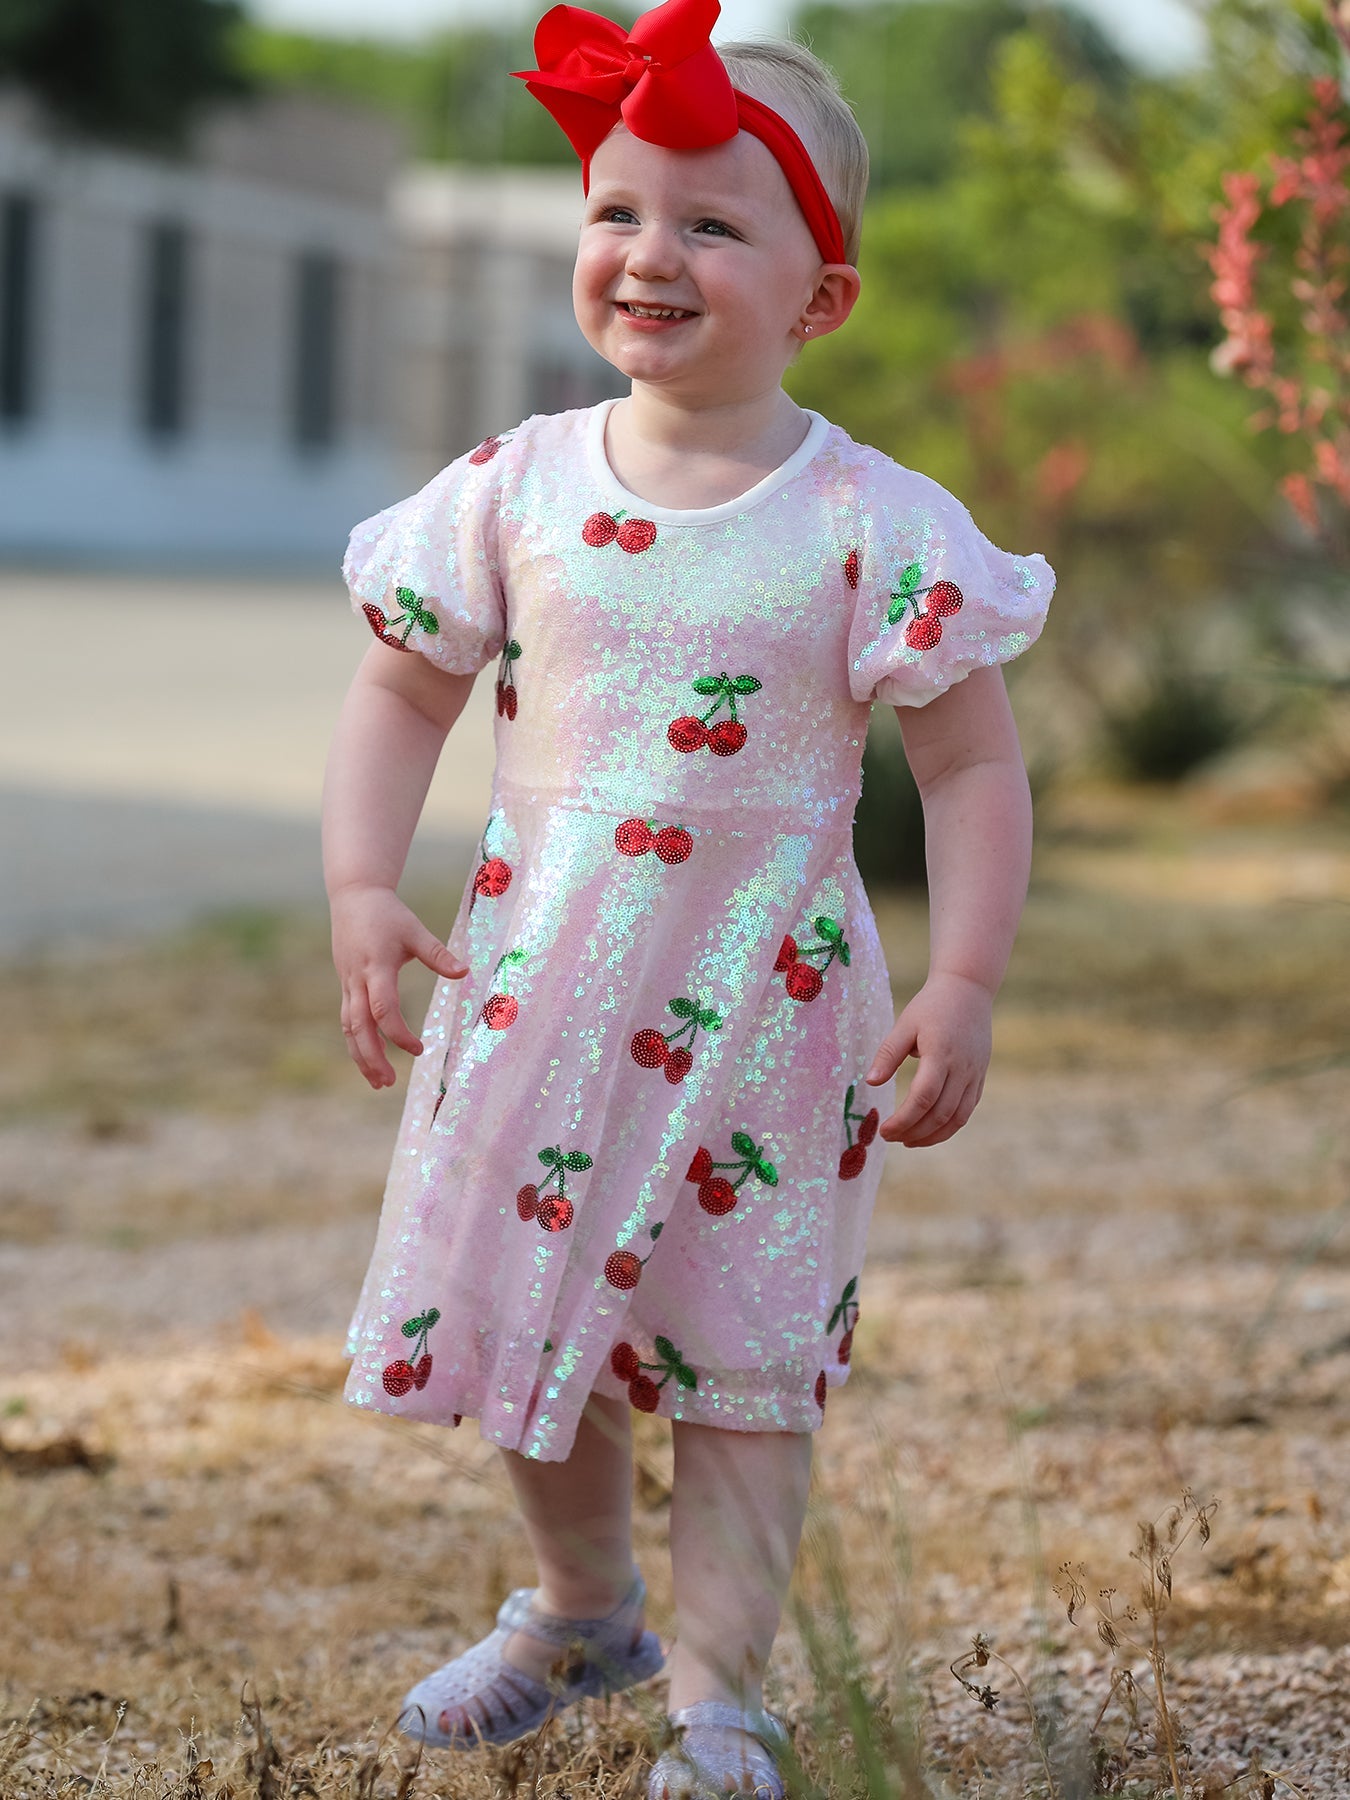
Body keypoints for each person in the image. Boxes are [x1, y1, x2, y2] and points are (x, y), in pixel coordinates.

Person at [322, 1, 1053, 1793]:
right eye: (616, 209)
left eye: (713, 224)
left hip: (766, 1010)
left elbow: (967, 767)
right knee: (515, 1314)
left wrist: (959, 978)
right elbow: (406, 688)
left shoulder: (868, 519)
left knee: (745, 1352)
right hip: (538, 995)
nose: (649, 253)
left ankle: (719, 1687)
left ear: (819, 296)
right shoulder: (514, 488)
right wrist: (358, 878)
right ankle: (581, 1602)